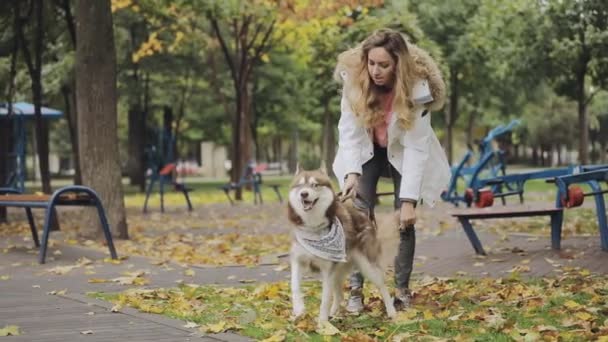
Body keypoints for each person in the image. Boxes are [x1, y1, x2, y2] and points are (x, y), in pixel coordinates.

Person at [332, 28, 451, 312]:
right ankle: (356, 292)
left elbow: (416, 148)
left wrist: (409, 202)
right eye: (371, 63)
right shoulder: (355, 84)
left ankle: (401, 292)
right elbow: (348, 134)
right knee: (358, 215)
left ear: (398, 63)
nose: (376, 70)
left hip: (404, 150)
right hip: (367, 149)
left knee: (404, 220)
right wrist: (351, 173)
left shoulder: (417, 91)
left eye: (383, 65)